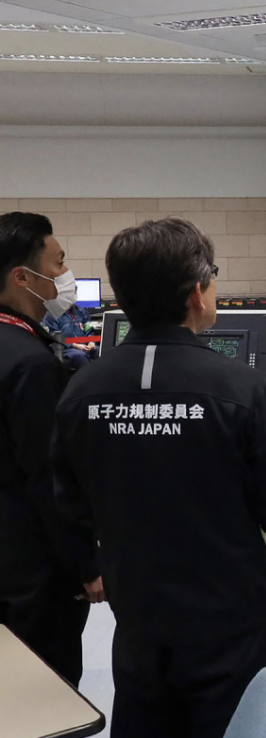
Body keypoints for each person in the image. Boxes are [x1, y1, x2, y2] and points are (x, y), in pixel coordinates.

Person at [51, 217, 266, 738]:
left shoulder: (81, 391)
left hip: (139, 623)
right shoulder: (241, 388)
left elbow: (67, 506)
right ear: (197, 292)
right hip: (228, 624)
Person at [0, 212, 102, 687]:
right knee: (47, 693)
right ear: (23, 276)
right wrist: (86, 564)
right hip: (32, 575)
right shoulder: (29, 365)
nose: (67, 277)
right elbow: (48, 478)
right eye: (59, 264)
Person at [44, 302, 97, 373]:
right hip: (65, 348)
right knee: (80, 355)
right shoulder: (51, 314)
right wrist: (75, 345)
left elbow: (89, 329)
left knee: (101, 350)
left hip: (84, 345)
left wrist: (91, 342)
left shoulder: (81, 310)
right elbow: (54, 337)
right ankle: (89, 381)